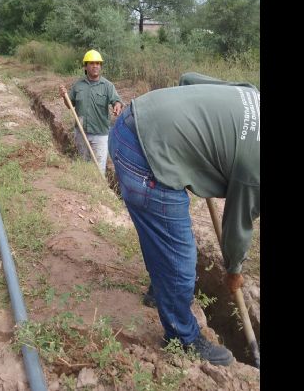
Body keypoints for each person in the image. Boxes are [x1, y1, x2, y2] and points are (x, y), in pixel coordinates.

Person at [108, 81, 260, 366]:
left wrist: (191, 135)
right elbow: (237, 226)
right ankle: (182, 337)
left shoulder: (253, 94)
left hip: (134, 121)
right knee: (181, 261)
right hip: (144, 155)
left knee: (163, 237)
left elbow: (189, 78)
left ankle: (159, 292)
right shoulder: (257, 170)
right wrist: (234, 270)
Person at [59, 49, 122, 176]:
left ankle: (100, 188)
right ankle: (86, 188)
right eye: (92, 63)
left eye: (98, 63)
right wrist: (64, 96)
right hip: (81, 133)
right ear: (85, 66)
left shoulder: (108, 86)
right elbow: (69, 105)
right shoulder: (78, 85)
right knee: (84, 166)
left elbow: (116, 101)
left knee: (99, 169)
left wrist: (117, 106)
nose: (95, 66)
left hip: (100, 135)